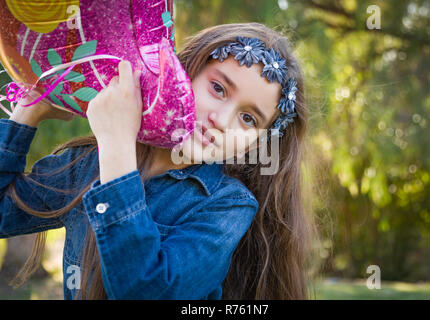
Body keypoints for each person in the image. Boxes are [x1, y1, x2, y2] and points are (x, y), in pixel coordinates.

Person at [0, 22, 319, 299]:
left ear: (257, 142)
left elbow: (145, 290)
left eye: (248, 119)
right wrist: (28, 112)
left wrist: (116, 145)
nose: (222, 120)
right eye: (218, 88)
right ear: (184, 72)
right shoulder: (88, 163)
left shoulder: (228, 205)